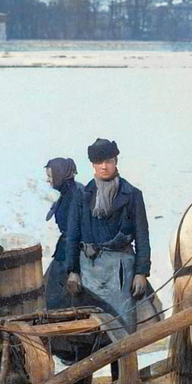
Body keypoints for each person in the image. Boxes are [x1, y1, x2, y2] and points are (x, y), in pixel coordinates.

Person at [65, 138, 150, 338]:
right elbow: (72, 237)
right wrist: (73, 271)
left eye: (108, 161)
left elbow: (142, 237)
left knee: (122, 333)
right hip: (89, 272)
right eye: (99, 162)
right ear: (93, 165)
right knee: (89, 332)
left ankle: (122, 371)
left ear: (116, 161)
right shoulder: (81, 196)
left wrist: (141, 273)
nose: (104, 166)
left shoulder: (133, 195)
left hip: (121, 273)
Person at [43, 157, 81, 309]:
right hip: (64, 251)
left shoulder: (74, 196)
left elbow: (75, 231)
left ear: (59, 175)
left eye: (50, 176)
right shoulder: (68, 193)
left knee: (56, 298)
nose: (48, 180)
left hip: (69, 255)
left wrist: (73, 268)